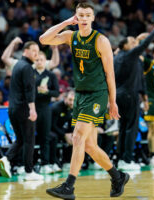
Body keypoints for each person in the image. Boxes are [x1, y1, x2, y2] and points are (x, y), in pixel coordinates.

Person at [39, 3, 128, 199]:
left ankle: (69, 186)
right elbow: (44, 39)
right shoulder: (72, 36)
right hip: (80, 94)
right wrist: (67, 22)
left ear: (93, 18)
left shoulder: (101, 41)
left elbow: (110, 73)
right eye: (81, 15)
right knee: (89, 146)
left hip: (97, 94)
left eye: (88, 15)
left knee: (77, 136)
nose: (84, 18)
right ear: (77, 17)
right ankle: (117, 176)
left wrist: (112, 102)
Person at [114, 14, 154, 170]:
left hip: (120, 95)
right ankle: (128, 160)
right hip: (129, 95)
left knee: (123, 128)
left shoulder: (121, 57)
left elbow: (141, 80)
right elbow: (144, 45)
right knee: (131, 128)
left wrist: (144, 98)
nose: (135, 43)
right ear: (124, 46)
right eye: (132, 42)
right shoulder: (129, 55)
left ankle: (121, 159)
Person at [0, 41, 43, 181]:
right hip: (24, 109)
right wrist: (32, 110)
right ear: (26, 51)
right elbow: (29, 90)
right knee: (29, 140)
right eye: (34, 50)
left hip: (12, 109)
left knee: (21, 139)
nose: (36, 53)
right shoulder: (27, 67)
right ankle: (29, 172)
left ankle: (6, 159)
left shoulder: (17, 65)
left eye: (38, 50)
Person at [35, 51, 60, 174]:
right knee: (28, 137)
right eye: (37, 60)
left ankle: (45, 163)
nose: (39, 61)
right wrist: (36, 90)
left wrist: (47, 92)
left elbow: (56, 93)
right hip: (32, 108)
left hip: (45, 108)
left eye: (41, 59)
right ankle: (24, 164)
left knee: (45, 137)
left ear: (45, 61)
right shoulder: (30, 74)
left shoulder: (51, 75)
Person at [50, 90, 75, 172]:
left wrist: (71, 134)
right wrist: (64, 134)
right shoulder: (56, 107)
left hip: (61, 129)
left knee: (74, 137)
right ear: (65, 99)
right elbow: (52, 125)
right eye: (70, 100)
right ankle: (53, 163)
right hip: (50, 129)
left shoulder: (73, 108)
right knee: (54, 137)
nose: (72, 102)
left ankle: (67, 162)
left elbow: (71, 123)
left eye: (74, 100)